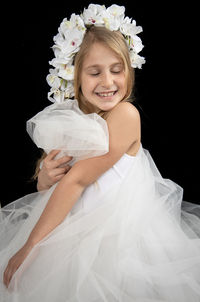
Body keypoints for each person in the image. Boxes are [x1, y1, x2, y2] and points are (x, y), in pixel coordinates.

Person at [0, 4, 200, 302]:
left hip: (115, 245)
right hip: (67, 238)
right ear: (75, 76)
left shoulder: (125, 115)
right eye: (95, 72)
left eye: (117, 70)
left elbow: (77, 181)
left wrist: (30, 246)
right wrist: (43, 179)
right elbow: (56, 185)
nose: (108, 82)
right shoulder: (74, 122)